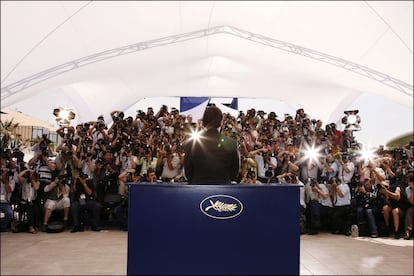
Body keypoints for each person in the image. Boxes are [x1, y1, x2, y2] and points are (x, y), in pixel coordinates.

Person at [184, 106, 240, 184]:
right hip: (224, 189)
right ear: (221, 122)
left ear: (203, 122)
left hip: (197, 189)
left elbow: (188, 172)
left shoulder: (192, 142)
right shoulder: (231, 143)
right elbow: (234, 173)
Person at [17, 169, 41, 233]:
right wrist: (27, 170)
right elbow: (19, 176)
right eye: (30, 175)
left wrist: (33, 180)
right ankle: (31, 227)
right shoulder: (24, 181)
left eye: (32, 175)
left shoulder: (37, 182)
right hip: (24, 202)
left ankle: (36, 226)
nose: (31, 176)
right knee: (30, 208)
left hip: (32, 202)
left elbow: (36, 188)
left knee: (36, 208)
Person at [403, 175, 414, 239]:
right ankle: (408, 232)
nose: (409, 183)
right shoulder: (408, 189)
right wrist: (413, 190)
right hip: (412, 206)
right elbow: (412, 201)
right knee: (409, 212)